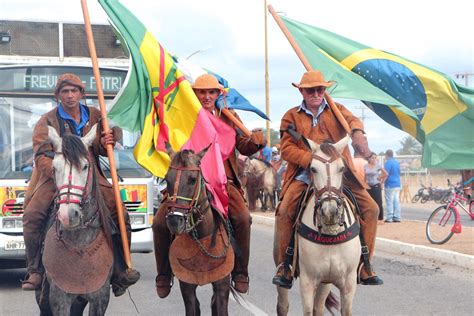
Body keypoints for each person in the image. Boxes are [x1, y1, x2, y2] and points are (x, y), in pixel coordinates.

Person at [21, 73, 140, 295]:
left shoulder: (96, 115)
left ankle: (122, 268)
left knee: (120, 212)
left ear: (81, 94)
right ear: (58, 96)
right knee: (32, 215)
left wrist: (108, 141)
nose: (69, 96)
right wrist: (60, 169)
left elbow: (106, 147)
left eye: (74, 91)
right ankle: (35, 269)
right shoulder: (46, 121)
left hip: (90, 176)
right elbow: (40, 155)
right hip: (56, 177)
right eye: (65, 92)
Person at [152, 74, 265, 297]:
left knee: (243, 218)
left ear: (218, 94)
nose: (206, 97)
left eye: (211, 92)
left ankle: (241, 271)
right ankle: (164, 274)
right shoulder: (184, 115)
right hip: (187, 182)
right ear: (194, 94)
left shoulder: (229, 116)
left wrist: (255, 141)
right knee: (158, 223)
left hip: (223, 181)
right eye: (201, 92)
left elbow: (243, 145)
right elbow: (172, 143)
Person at [273, 70, 383, 288]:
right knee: (285, 210)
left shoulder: (337, 109)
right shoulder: (290, 116)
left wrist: (358, 132)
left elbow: (352, 121)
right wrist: (313, 160)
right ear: (302, 92)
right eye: (310, 90)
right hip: (306, 175)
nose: (316, 93)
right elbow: (286, 148)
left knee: (372, 209)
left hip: (340, 175)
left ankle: (365, 265)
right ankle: (285, 265)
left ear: (324, 90)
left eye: (320, 89)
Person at [364, 152, 388, 224]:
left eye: (375, 158)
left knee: (378, 202)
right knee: (370, 202)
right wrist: (364, 183)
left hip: (376, 185)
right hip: (368, 186)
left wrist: (381, 180)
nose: (374, 159)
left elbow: (386, 174)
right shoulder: (365, 166)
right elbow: (365, 176)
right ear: (369, 158)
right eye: (372, 158)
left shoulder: (378, 165)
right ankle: (371, 217)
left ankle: (380, 218)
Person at [383, 149, 401, 222]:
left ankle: (389, 217)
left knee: (389, 201)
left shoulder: (388, 163)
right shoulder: (396, 162)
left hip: (390, 184)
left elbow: (385, 174)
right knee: (396, 201)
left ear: (386, 155)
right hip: (397, 184)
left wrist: (382, 182)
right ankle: (397, 217)